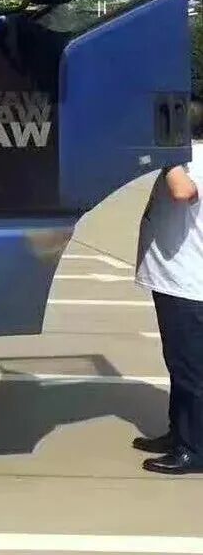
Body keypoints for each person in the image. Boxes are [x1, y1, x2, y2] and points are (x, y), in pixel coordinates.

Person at [134, 156, 203, 474]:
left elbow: (182, 191)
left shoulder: (190, 160)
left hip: (188, 284)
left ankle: (195, 448)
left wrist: (166, 153)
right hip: (174, 281)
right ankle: (179, 434)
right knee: (179, 365)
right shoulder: (188, 156)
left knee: (191, 371)